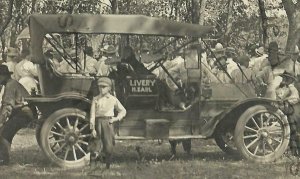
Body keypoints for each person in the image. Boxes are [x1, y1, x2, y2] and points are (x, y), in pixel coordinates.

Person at [0, 65, 35, 165]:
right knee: (4, 131)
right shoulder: (11, 83)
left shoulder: (10, 85)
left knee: (3, 133)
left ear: (2, 76)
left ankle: (3, 160)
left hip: (23, 113)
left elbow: (7, 106)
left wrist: (1, 121)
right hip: (25, 112)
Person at [89, 77, 126, 169]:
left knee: (108, 144)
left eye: (104, 87)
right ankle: (92, 166)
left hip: (108, 123)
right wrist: (92, 128)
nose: (101, 89)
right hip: (98, 122)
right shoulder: (95, 99)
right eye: (100, 87)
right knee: (95, 143)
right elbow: (92, 114)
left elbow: (123, 111)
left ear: (109, 88)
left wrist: (116, 119)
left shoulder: (113, 99)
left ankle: (107, 166)